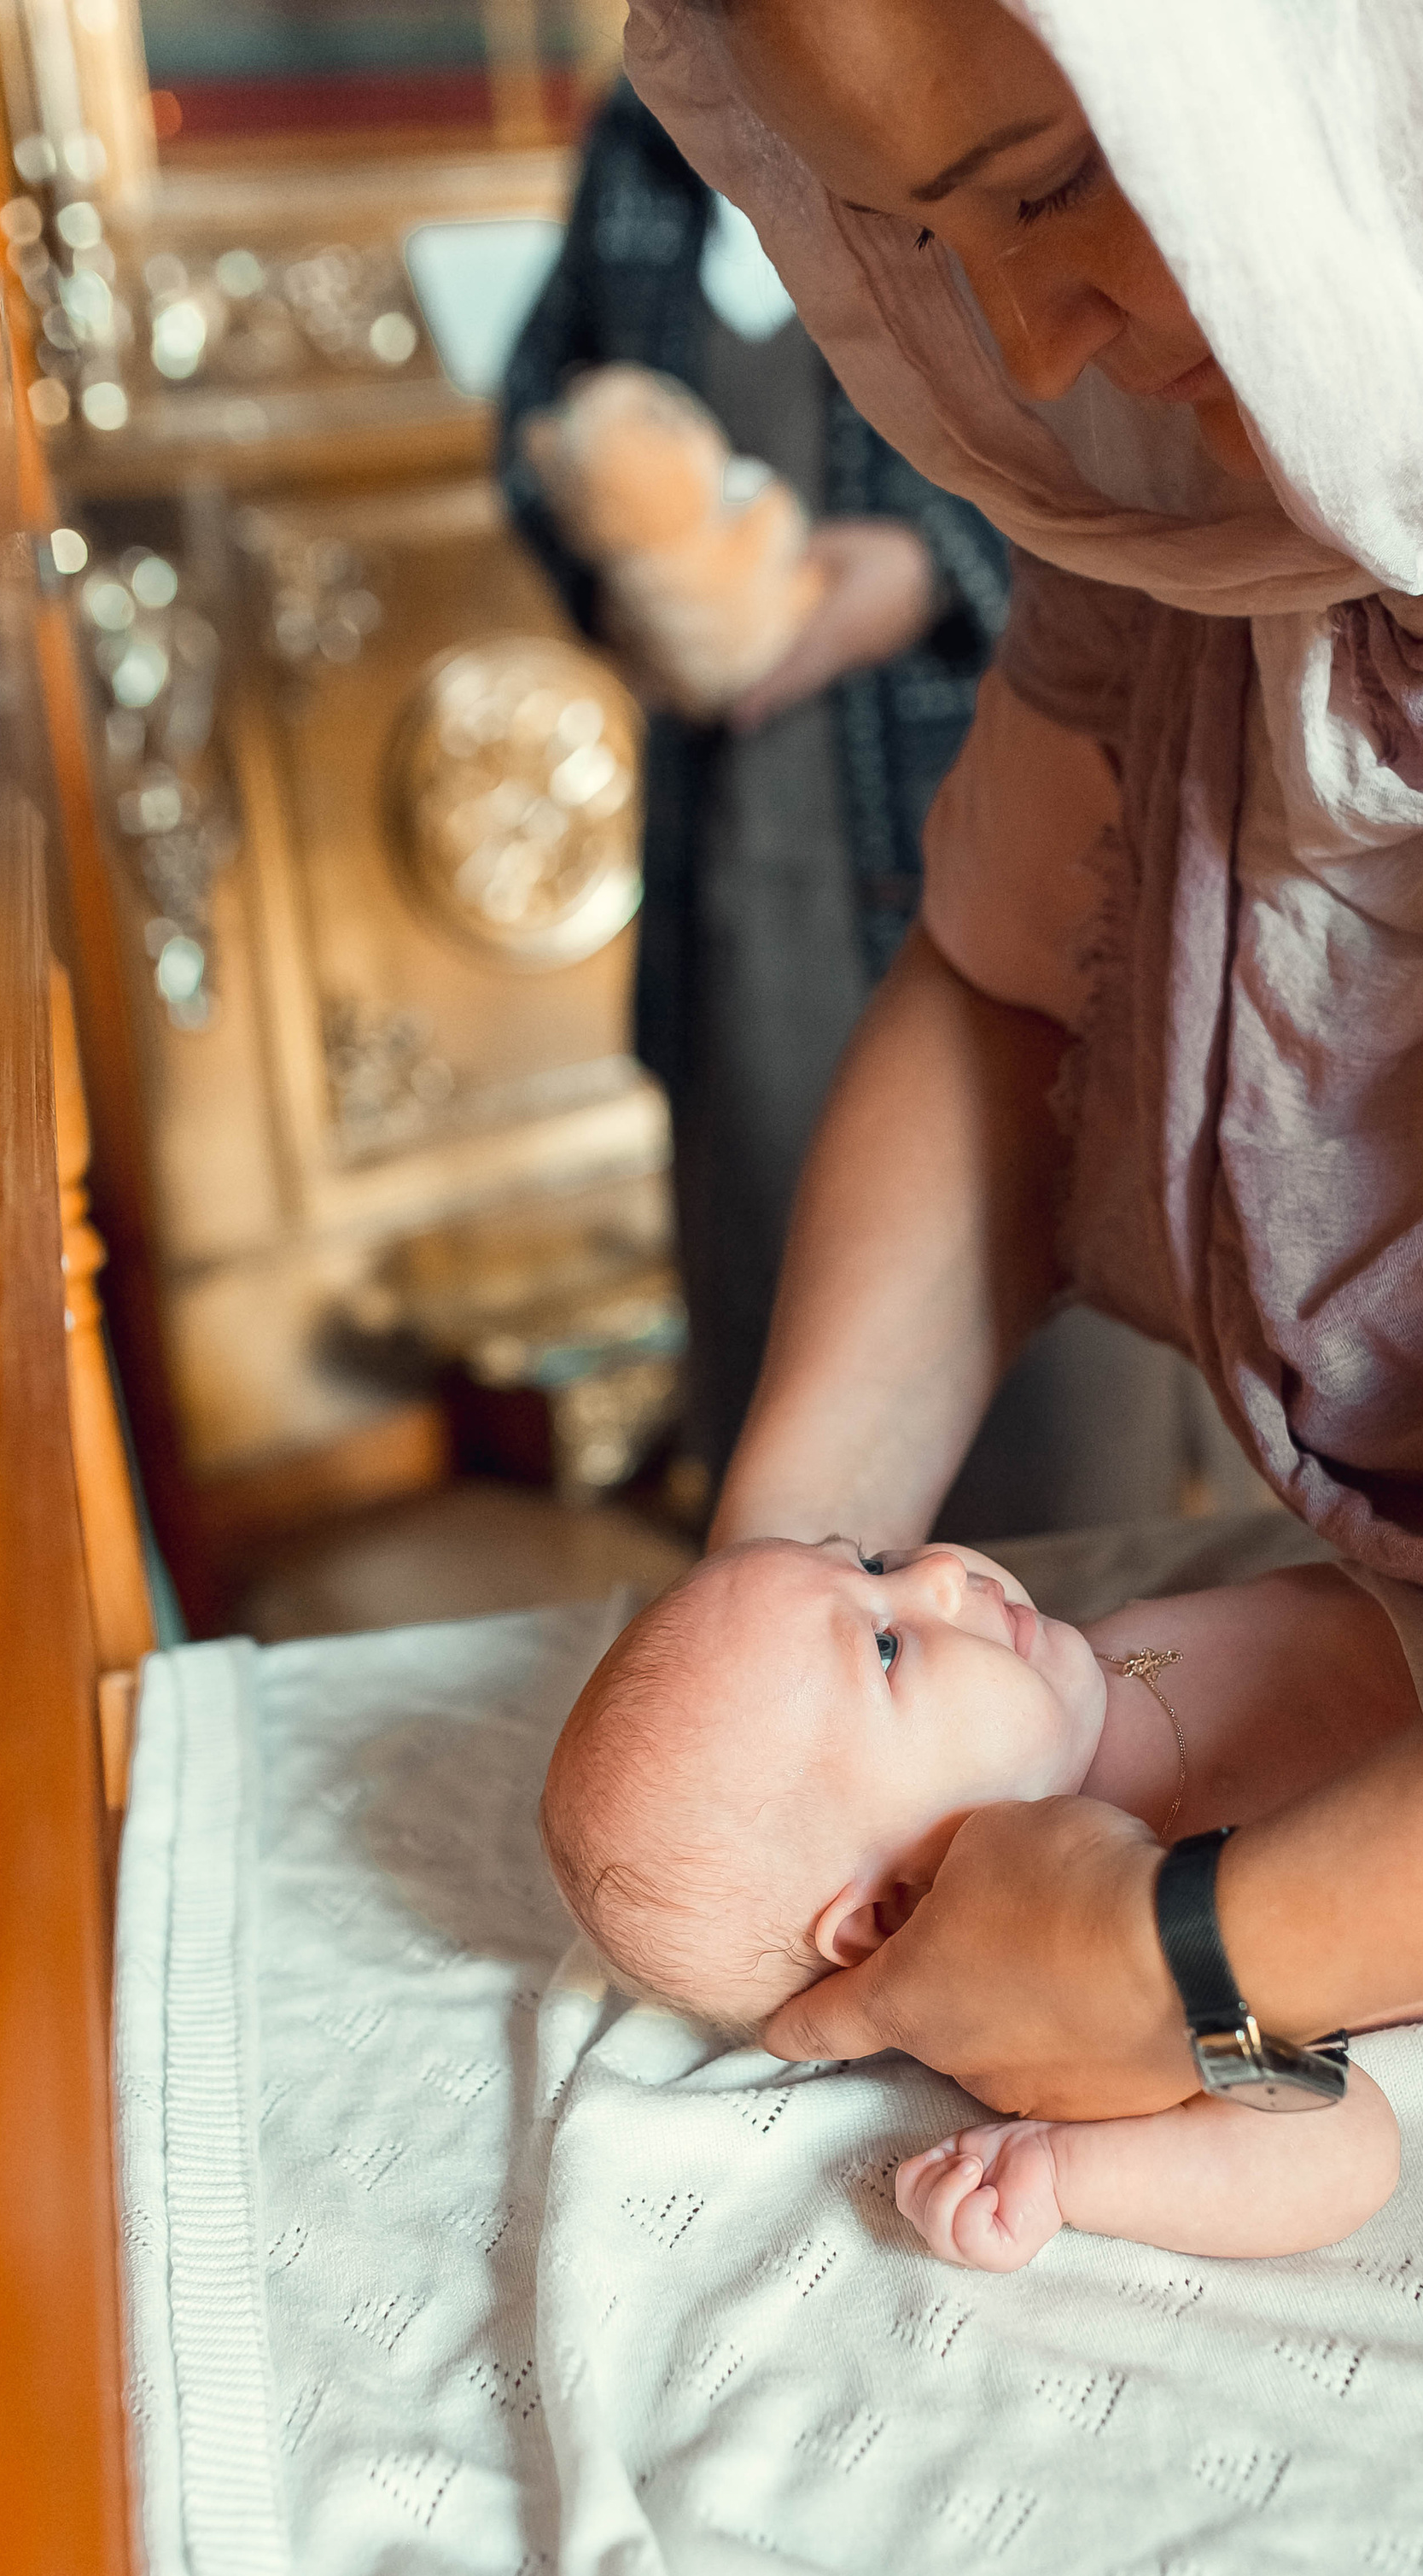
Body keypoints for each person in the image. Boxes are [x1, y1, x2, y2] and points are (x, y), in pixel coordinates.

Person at [608, 0, 1423, 2117]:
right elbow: (1010, 982)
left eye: (1047, 182)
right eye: (935, 236)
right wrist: (775, 1659)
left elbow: (1287, 2106)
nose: (1032, 345)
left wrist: (1206, 1960)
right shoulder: (1198, 462)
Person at [499, 73, 1188, 1533]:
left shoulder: (987, 117)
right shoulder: (641, 152)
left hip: (971, 812)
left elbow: (1130, 449)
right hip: (741, 866)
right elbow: (535, 419)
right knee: (772, 1285)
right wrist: (633, 596)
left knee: (1053, 1365)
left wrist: (931, 573)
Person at [539, 1533, 1423, 2264]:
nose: (945, 1572)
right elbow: (1335, 2150)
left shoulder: (1078, 1672)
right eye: (890, 1642)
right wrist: (1079, 2172)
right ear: (894, 1917)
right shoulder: (1054, 2011)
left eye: (873, 1559)